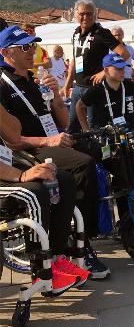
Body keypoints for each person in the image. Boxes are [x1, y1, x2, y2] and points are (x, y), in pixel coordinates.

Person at [0, 25, 110, 279]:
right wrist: (48, 142)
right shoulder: (4, 84)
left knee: (103, 149)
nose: (32, 51)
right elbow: (12, 140)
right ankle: (82, 244)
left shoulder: (34, 80)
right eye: (25, 47)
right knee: (83, 164)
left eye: (33, 46)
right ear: (6, 53)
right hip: (28, 151)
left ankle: (112, 222)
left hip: (51, 140)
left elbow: (61, 121)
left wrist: (57, 95)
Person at [0, 105, 90, 292]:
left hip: (6, 165)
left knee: (62, 179)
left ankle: (57, 258)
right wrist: (21, 175)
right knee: (34, 193)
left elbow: (14, 135)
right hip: (5, 173)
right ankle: (41, 269)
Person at [61, 0, 130, 134]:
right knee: (73, 127)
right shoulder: (75, 34)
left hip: (94, 87)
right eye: (82, 14)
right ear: (76, 15)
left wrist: (104, 72)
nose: (85, 17)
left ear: (95, 15)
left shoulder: (101, 33)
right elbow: (75, 60)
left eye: (89, 13)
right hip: (78, 87)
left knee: (94, 127)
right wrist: (67, 85)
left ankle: (97, 154)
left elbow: (125, 54)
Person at [76, 53, 134, 144]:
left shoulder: (131, 86)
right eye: (118, 68)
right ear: (106, 70)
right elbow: (79, 106)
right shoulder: (96, 89)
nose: (123, 71)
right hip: (104, 133)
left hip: (130, 130)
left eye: (123, 68)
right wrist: (86, 131)